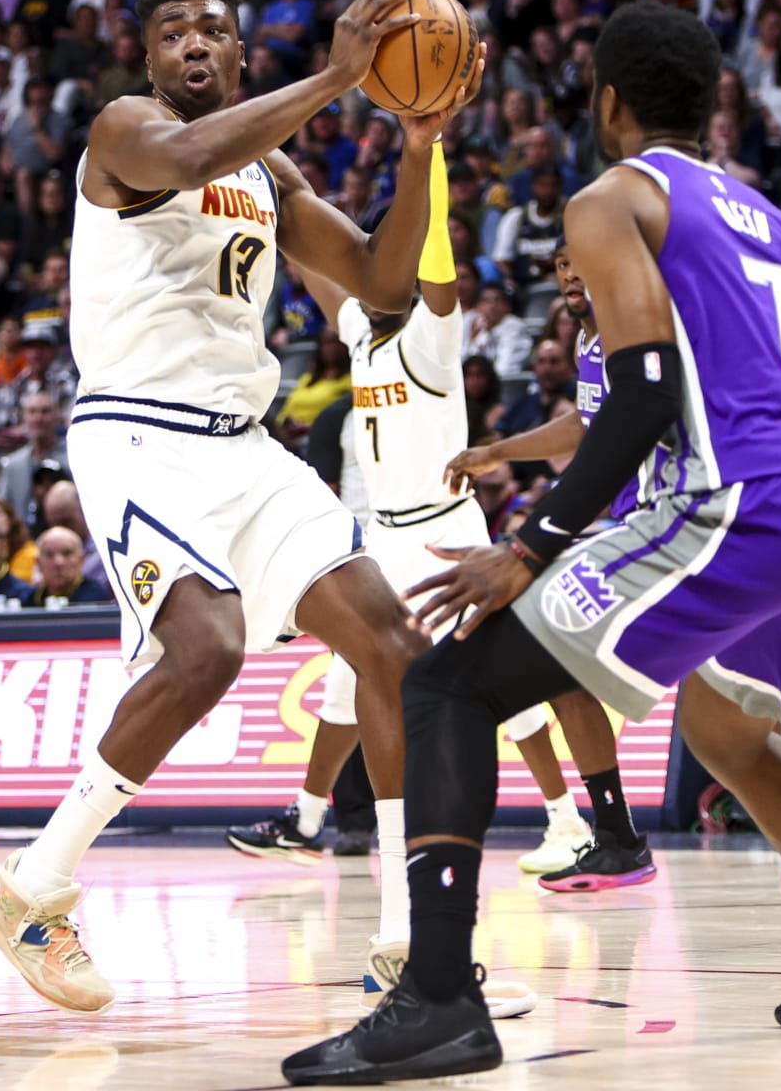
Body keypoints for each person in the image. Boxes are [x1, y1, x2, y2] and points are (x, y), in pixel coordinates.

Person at [283, 3, 781, 1086]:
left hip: (740, 502)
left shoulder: (610, 198)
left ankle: (439, 1000)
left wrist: (531, 548)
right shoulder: (763, 211)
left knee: (447, 687)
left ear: (608, 101)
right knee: (732, 736)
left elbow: (639, 391)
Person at [0, 0, 487, 1019]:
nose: (193, 46)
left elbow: (383, 286)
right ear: (150, 60)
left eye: (213, 30)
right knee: (209, 649)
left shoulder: (272, 175)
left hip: (243, 446)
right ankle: (30, 886)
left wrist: (421, 141)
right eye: (173, 35)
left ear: (243, 54)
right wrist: (345, 75)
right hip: (137, 436)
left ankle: (408, 948)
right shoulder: (125, 130)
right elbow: (197, 152)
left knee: (394, 647)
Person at [448, 239, 781, 885]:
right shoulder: (592, 341)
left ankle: (630, 836)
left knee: (735, 682)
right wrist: (501, 451)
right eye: (563, 264)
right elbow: (588, 423)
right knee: (715, 675)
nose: (573, 273)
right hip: (651, 524)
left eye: (584, 259)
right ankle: (629, 833)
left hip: (686, 521)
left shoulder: (653, 330)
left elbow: (630, 422)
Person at [225, 251, 614, 960]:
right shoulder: (359, 330)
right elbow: (323, 268)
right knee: (347, 683)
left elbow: (432, 255)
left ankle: (568, 823)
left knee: (502, 688)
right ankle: (309, 819)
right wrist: (283, 211)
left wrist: (422, 154)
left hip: (444, 531)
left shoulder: (429, 336)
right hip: (384, 535)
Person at [31, 526, 113, 606]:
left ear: (81, 560)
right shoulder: (29, 600)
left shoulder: (95, 599)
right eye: (49, 555)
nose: (58, 562)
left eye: (67, 553)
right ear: (38, 563)